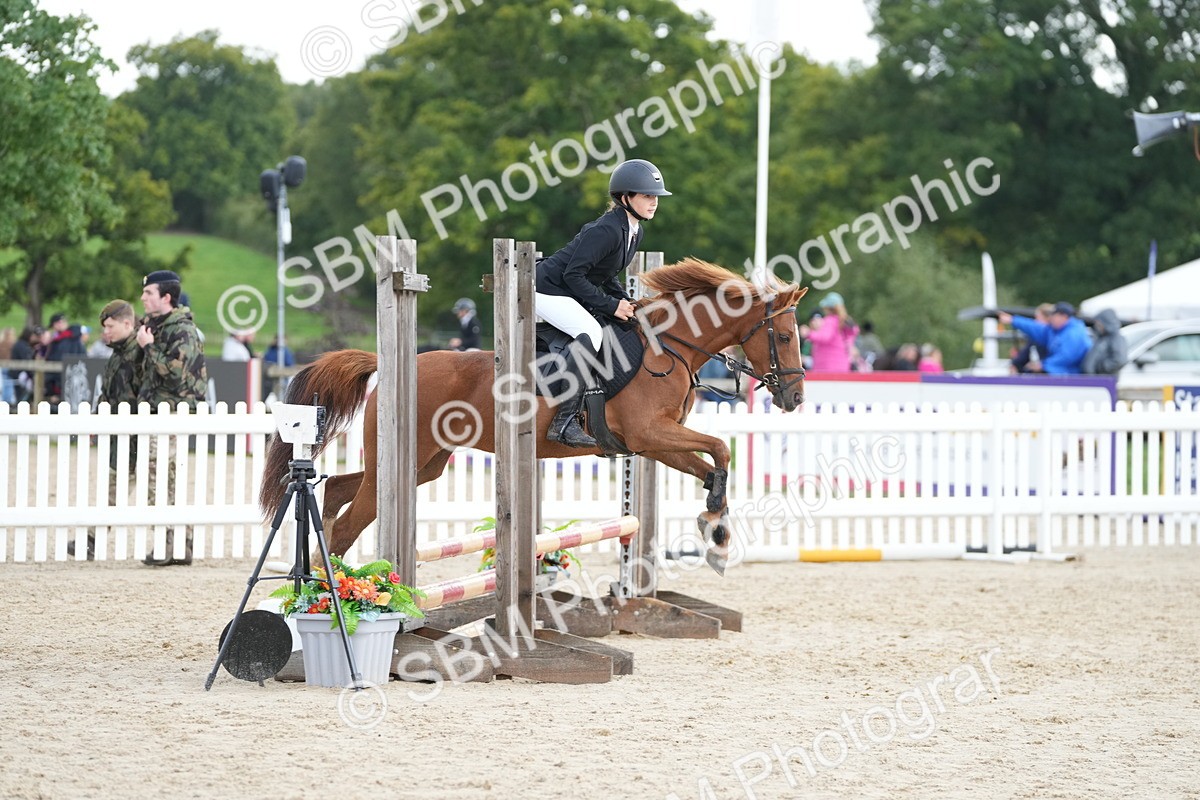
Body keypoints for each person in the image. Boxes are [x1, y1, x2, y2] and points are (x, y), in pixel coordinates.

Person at [534, 158, 669, 447]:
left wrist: (627, 303)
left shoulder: (634, 230)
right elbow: (574, 275)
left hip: (566, 289)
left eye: (655, 196)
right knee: (592, 332)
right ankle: (563, 421)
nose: (654, 202)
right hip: (545, 290)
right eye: (646, 195)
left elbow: (606, 276)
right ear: (625, 198)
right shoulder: (606, 229)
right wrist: (610, 306)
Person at [137, 270, 208, 566]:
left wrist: (148, 347)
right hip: (160, 413)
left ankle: (173, 544)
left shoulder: (182, 330)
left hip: (175, 415)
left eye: (149, 293)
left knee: (163, 481)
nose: (143, 298)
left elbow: (176, 373)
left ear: (166, 297)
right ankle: (179, 543)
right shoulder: (154, 327)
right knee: (164, 481)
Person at [70, 301, 144, 560]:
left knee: (139, 490)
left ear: (127, 323)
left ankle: (91, 539)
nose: (106, 332)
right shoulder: (117, 353)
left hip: (136, 433)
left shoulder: (140, 352)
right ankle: (91, 539)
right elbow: (107, 393)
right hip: (119, 433)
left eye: (110, 326)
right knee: (113, 487)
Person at [999, 302, 1091, 375]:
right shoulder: (1056, 330)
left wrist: (1044, 365)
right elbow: (1036, 329)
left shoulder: (1074, 334)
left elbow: (1066, 357)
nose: (1051, 318)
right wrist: (1014, 320)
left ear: (1064, 316)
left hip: (1071, 378)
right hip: (1061, 375)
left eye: (1054, 315)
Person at [807, 292, 860, 373]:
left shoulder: (830, 321)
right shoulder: (844, 321)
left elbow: (825, 337)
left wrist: (808, 334)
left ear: (828, 308)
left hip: (826, 366)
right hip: (843, 365)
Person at [1081, 309, 1128, 375]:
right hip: (1095, 380)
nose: (1097, 326)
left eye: (1099, 323)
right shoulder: (1102, 337)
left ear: (1106, 323)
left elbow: (1120, 360)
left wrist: (1100, 366)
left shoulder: (1116, 339)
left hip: (1104, 380)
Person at [1010, 303, 1054, 373]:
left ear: (1048, 319)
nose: (1035, 321)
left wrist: (1042, 366)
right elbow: (1022, 358)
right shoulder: (1035, 338)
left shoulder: (1056, 337)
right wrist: (1015, 364)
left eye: (1037, 318)